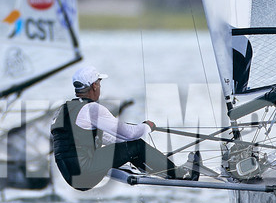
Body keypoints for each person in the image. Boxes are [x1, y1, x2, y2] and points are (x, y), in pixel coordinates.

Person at [51, 65, 191, 190]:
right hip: (85, 172)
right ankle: (181, 174)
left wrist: (127, 148)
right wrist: (147, 126)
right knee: (136, 145)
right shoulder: (92, 109)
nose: (100, 87)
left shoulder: (62, 110)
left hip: (72, 176)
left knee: (130, 148)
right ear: (94, 85)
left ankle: (152, 167)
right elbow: (130, 134)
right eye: (99, 83)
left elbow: (104, 138)